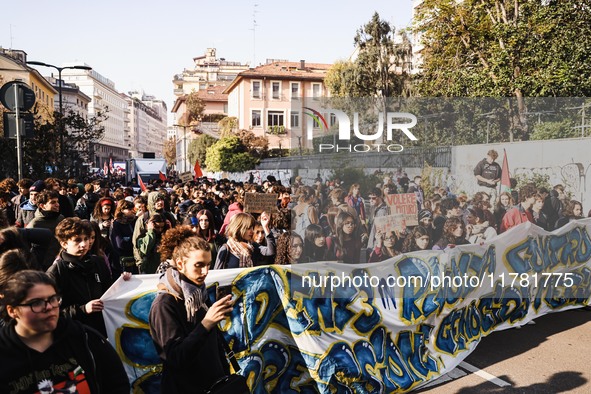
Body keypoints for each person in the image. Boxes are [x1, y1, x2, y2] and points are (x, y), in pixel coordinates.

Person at [0, 270, 130, 393]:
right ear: (12, 311)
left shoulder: (84, 338)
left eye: (53, 299)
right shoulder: (5, 355)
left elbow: (117, 383)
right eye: (36, 303)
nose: (49, 307)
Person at [149, 235, 246, 393]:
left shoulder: (198, 293)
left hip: (214, 386)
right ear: (180, 264)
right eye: (199, 265)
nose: (205, 272)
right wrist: (206, 324)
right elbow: (174, 358)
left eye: (208, 265)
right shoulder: (164, 304)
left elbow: (213, 345)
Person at [47, 217, 113, 337]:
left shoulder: (98, 262)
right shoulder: (56, 271)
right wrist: (83, 309)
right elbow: (49, 313)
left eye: (86, 239)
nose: (84, 244)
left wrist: (124, 282)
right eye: (77, 240)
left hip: (101, 334)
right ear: (64, 243)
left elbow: (110, 294)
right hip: (73, 336)